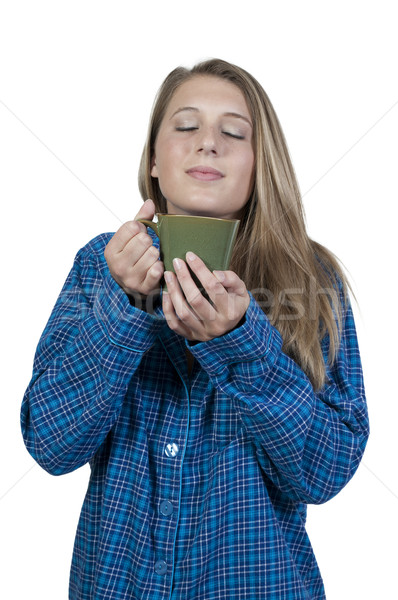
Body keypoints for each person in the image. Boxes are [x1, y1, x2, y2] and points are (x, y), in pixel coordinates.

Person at [21, 58, 369, 600]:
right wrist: (126, 307)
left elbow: (324, 473)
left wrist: (240, 345)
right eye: (186, 126)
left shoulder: (309, 278)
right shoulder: (99, 267)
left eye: (234, 132)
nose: (209, 143)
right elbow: (50, 443)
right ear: (154, 161)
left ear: (260, 165)